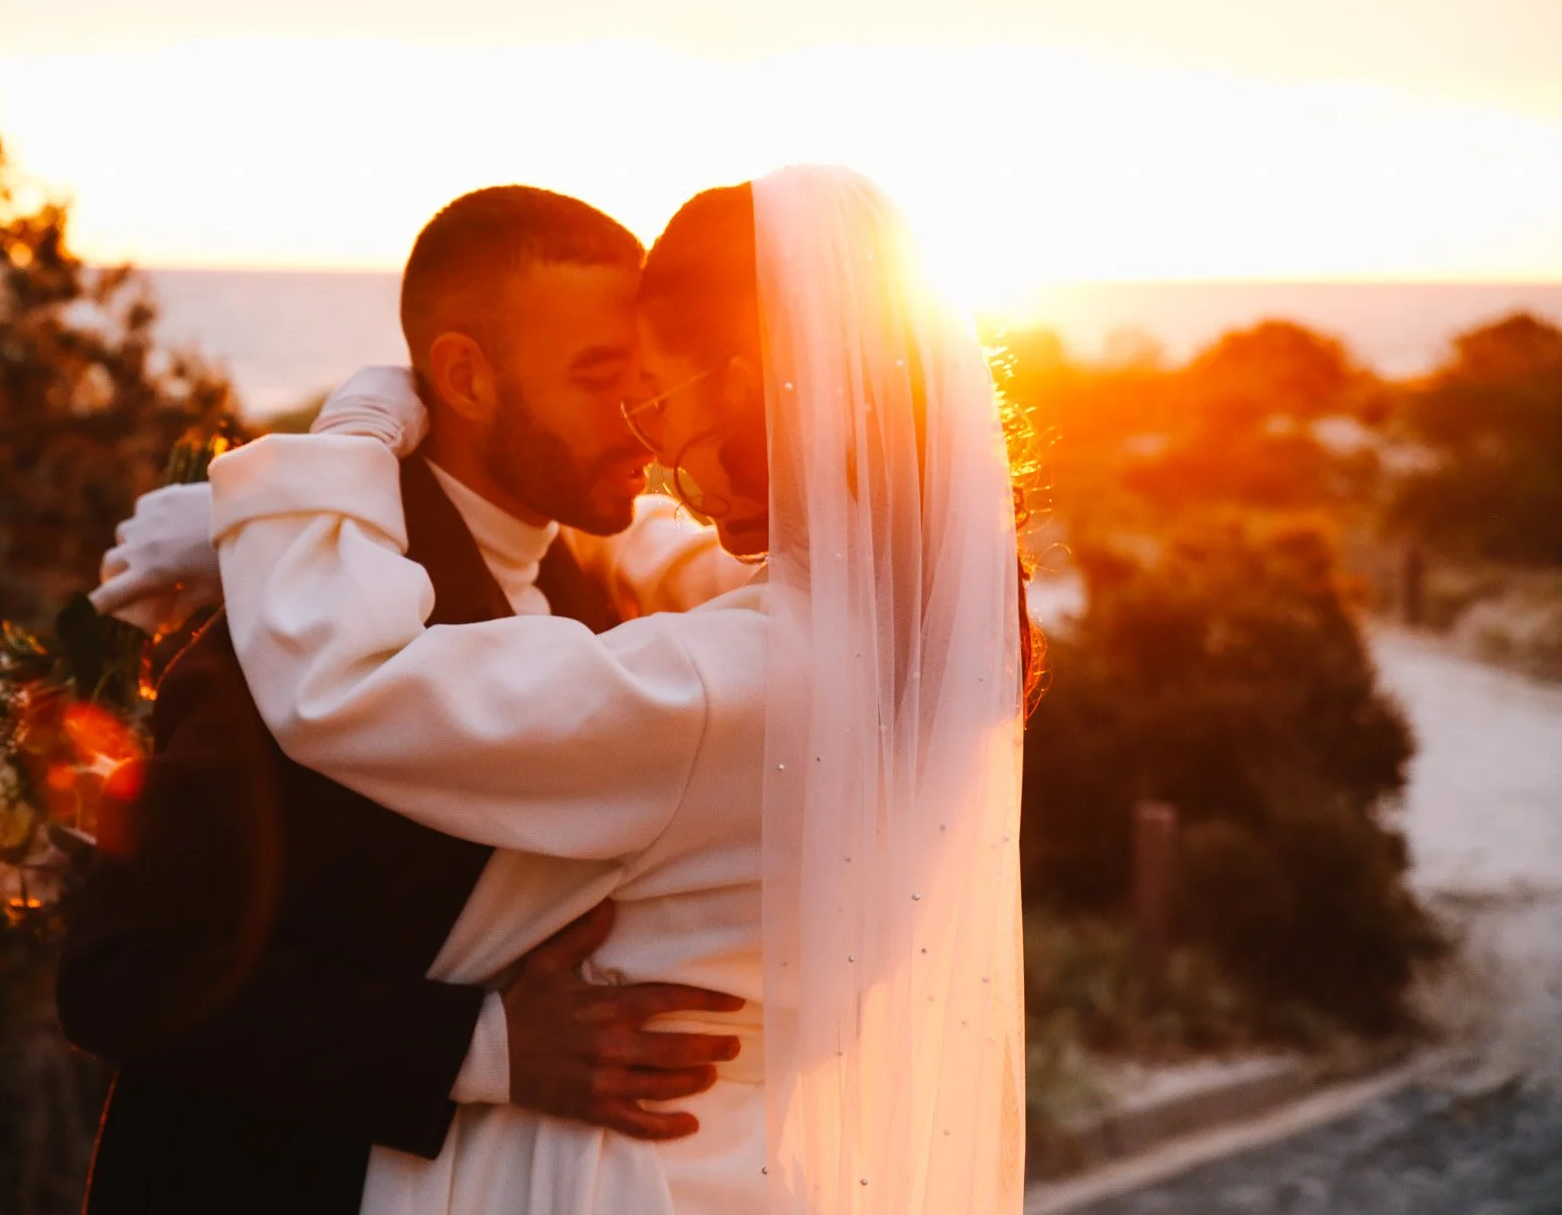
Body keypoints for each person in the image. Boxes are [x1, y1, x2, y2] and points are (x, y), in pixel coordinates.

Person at [205, 167, 1033, 1213]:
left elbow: (343, 682)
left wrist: (346, 448)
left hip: (600, 1177)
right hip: (757, 1163)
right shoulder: (927, 639)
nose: (649, 447)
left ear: (744, 383)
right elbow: (704, 574)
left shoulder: (720, 690)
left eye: (657, 397)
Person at [58, 186, 756, 1214]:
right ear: (465, 377)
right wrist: (484, 1049)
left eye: (646, 379)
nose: (643, 423)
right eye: (601, 380)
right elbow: (125, 971)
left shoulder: (597, 602)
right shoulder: (299, 618)